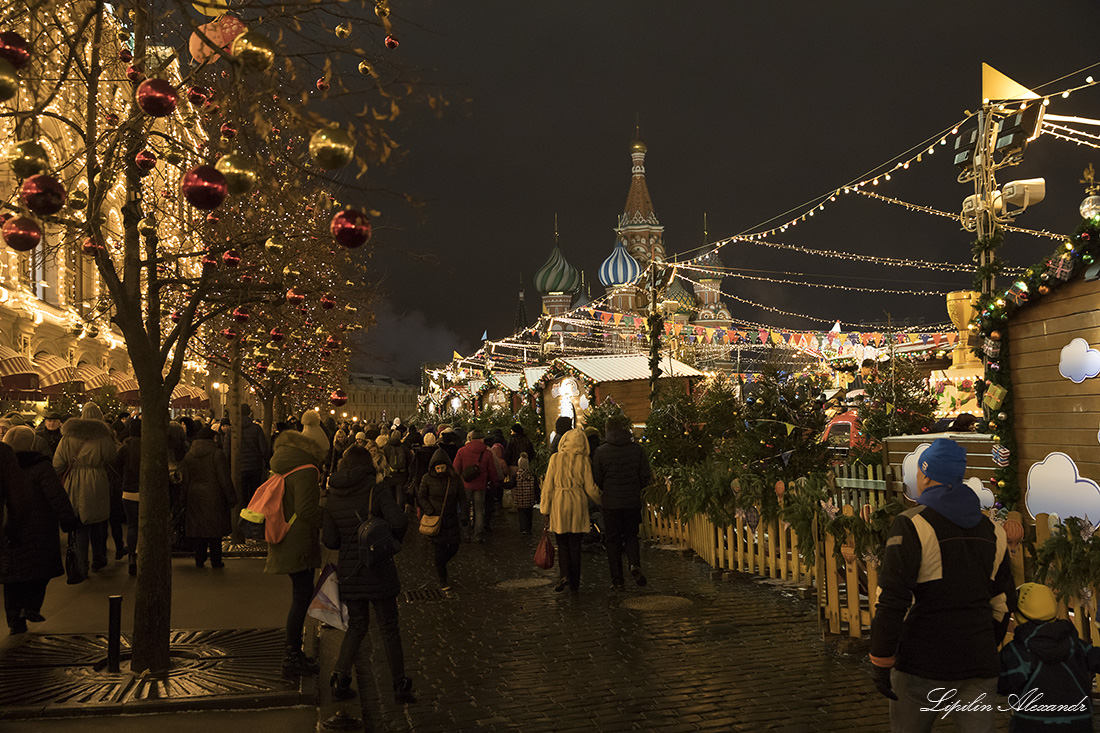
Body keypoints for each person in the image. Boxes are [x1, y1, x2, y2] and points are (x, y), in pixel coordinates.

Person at [868, 437, 1014, 731]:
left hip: (922, 662)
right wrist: (987, 640)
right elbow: (1002, 602)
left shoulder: (911, 524)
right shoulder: (992, 529)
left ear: (925, 474)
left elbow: (893, 600)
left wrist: (881, 659)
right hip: (978, 661)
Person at [322, 445, 415, 709]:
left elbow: (330, 540)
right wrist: (387, 542)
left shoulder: (333, 496)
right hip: (378, 568)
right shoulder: (376, 490)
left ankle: (340, 678)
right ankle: (399, 684)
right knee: (389, 627)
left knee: (357, 626)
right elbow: (399, 522)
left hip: (350, 572)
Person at [2, 428, 78, 634]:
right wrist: (68, 519)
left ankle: (14, 618)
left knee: (11, 576)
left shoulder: (4, 465)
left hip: (10, 529)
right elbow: (56, 495)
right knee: (39, 570)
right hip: (40, 526)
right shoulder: (41, 465)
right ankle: (31, 606)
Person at [264, 427, 325, 677]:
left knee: (300, 596)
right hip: (299, 541)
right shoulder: (306, 470)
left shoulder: (283, 465)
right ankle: (292, 655)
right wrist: (330, 517)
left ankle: (294, 653)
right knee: (301, 599)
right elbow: (307, 510)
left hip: (285, 536)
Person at [999, 582, 1100, 732]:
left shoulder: (1015, 651)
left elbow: (1002, 685)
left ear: (1018, 614)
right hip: (1079, 724)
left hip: (1032, 725)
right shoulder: (1077, 645)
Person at [53, 402, 117, 575]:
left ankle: (82, 563)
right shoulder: (103, 436)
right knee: (97, 522)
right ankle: (98, 557)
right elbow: (112, 456)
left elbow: (58, 463)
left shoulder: (68, 436)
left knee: (80, 523)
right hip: (96, 480)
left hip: (74, 480)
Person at [593, 415, 653, 591]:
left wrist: (608, 489)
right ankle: (634, 564)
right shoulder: (636, 450)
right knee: (631, 535)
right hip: (632, 501)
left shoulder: (600, 451)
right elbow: (645, 474)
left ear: (607, 430)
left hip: (611, 503)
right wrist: (635, 488)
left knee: (612, 541)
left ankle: (617, 580)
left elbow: (597, 477)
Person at [540, 428, 602, 594]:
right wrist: (601, 500)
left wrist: (545, 508)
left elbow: (548, 486)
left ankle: (564, 575)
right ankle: (574, 582)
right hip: (577, 504)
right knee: (575, 545)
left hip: (559, 503)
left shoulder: (555, 459)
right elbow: (590, 487)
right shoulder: (583, 461)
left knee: (562, 544)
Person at [180, 427, 235, 568]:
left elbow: (185, 480)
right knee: (214, 530)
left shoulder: (189, 456)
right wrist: (231, 497)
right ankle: (216, 560)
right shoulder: (217, 454)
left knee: (198, 529)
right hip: (213, 494)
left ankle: (200, 558)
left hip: (194, 495)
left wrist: (183, 499)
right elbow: (224, 478)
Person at [417, 446, 464, 591]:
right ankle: (442, 578)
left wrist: (464, 514)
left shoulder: (454, 479)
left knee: (454, 546)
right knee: (439, 549)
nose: (440, 470)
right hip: (436, 520)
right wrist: (429, 509)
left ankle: (441, 565)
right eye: (438, 468)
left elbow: (462, 497)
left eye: (442, 467)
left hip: (451, 518)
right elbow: (421, 496)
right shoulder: (427, 478)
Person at [452, 429, 499, 542]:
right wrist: (495, 482)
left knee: (465, 509)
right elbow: (492, 470)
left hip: (466, 484)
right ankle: (478, 535)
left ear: (470, 439)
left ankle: (466, 534)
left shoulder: (462, 451)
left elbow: (455, 468)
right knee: (479, 510)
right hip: (481, 485)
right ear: (482, 439)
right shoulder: (487, 452)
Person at [115, 417, 141, 576]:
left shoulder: (125, 448)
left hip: (129, 491)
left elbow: (116, 467)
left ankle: (132, 555)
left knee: (132, 525)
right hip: (145, 492)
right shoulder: (149, 447)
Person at [238, 404, 270, 508]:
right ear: (250, 413)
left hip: (239, 466)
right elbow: (263, 448)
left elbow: (227, 450)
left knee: (242, 495)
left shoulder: (233, 430)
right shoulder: (256, 429)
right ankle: (252, 515)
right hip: (254, 466)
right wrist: (267, 462)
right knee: (254, 494)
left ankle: (242, 516)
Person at [513, 453, 538, 534]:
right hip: (529, 499)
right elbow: (536, 488)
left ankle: (523, 528)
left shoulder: (516, 476)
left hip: (520, 500)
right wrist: (538, 497)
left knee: (521, 515)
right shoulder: (532, 476)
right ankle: (528, 527)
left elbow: (511, 484)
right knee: (529, 514)